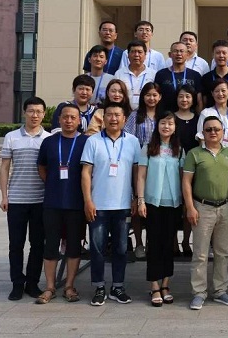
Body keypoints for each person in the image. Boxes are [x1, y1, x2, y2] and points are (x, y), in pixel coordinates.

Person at [81, 103, 141, 306]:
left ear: (124, 119)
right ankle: (99, 287)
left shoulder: (133, 141)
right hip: (98, 205)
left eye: (117, 115)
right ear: (103, 118)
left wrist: (136, 197)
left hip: (123, 205)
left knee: (121, 249)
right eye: (109, 115)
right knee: (97, 249)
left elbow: (136, 173)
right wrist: (88, 200)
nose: (113, 119)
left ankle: (118, 287)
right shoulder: (93, 141)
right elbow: (86, 173)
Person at [182, 116, 228, 310]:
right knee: (200, 253)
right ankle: (199, 293)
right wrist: (190, 207)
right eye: (208, 129)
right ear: (202, 133)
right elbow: (186, 182)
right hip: (202, 207)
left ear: (223, 132)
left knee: (223, 252)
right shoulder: (194, 154)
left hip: (225, 206)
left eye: (216, 129)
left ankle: (220, 291)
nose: (213, 132)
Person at [35, 104, 89, 304]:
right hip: (53, 202)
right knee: (51, 246)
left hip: (76, 203)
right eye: (65, 117)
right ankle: (50, 286)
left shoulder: (86, 142)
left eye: (73, 117)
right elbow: (41, 167)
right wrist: (52, 183)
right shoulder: (49, 142)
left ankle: (69, 286)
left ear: (79, 121)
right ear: (59, 119)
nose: (68, 121)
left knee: (74, 246)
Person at [0, 96, 51, 301]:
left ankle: (32, 283)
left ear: (44, 114)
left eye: (39, 111)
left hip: (40, 200)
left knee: (37, 244)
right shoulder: (11, 137)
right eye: (31, 111)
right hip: (17, 200)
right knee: (16, 244)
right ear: (24, 113)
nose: (35, 115)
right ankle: (17, 283)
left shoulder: (48, 139)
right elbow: (4, 168)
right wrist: (4, 196)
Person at [136, 111, 184, 307]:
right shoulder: (148, 147)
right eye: (163, 123)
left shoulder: (179, 149)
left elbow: (183, 177)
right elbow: (141, 176)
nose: (166, 127)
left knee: (169, 244)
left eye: (170, 124)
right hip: (152, 203)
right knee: (154, 244)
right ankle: (154, 285)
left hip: (173, 203)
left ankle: (165, 284)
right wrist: (140, 200)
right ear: (157, 126)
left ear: (175, 127)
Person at [123, 81, 163, 260]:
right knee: (138, 202)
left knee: (155, 204)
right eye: (148, 95)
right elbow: (128, 138)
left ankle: (154, 243)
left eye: (155, 95)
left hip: (159, 164)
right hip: (138, 164)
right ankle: (138, 243)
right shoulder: (135, 115)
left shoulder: (163, 115)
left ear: (160, 97)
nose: (151, 98)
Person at [174, 83, 200, 258]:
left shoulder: (198, 119)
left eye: (188, 96)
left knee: (189, 205)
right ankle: (173, 242)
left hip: (193, 167)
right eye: (181, 96)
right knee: (174, 205)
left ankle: (186, 241)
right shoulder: (170, 117)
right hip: (173, 165)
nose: (184, 100)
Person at [155, 41, 204, 113]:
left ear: (187, 54)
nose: (179, 54)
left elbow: (199, 101)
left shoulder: (195, 75)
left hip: (189, 116)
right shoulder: (161, 74)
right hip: (167, 116)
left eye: (182, 51)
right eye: (175, 51)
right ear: (170, 55)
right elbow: (156, 97)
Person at [196, 78, 228, 152]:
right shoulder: (206, 113)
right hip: (212, 155)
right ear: (212, 93)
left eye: (223, 90)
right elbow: (201, 138)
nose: (220, 94)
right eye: (217, 91)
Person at [201, 39, 228, 111]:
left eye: (224, 53)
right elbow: (204, 102)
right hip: (211, 116)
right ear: (213, 55)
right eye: (218, 53)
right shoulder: (206, 77)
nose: (221, 56)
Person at [114, 40, 156, 111]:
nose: (136, 55)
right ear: (128, 55)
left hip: (146, 112)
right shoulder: (119, 73)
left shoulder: (153, 74)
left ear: (145, 55)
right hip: (124, 112)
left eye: (140, 52)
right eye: (133, 52)